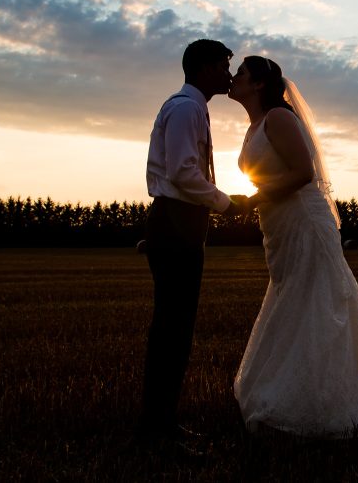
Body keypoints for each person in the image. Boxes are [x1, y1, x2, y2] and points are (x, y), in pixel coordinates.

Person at [228, 55, 358, 438]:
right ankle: (291, 392)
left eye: (241, 73)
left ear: (259, 83)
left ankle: (327, 404)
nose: (234, 78)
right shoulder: (256, 125)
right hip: (279, 224)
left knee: (316, 302)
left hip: (304, 220)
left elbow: (303, 173)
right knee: (291, 297)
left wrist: (253, 199)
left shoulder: (279, 117)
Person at [138, 39, 248, 446]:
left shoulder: (191, 107)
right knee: (173, 329)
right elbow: (184, 172)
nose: (228, 75)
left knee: (175, 327)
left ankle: (160, 423)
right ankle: (158, 429)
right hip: (177, 221)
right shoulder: (186, 108)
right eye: (223, 66)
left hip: (180, 220)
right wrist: (225, 203)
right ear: (203, 68)